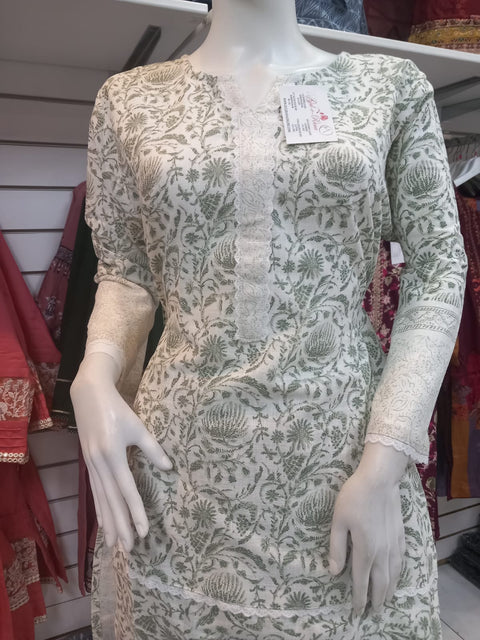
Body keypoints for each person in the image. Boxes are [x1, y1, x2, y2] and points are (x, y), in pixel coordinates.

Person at [71, 0, 467, 637]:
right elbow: (126, 272)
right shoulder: (129, 100)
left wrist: (385, 461)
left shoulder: (388, 89)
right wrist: (94, 371)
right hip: (181, 464)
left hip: (344, 458)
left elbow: (439, 267)